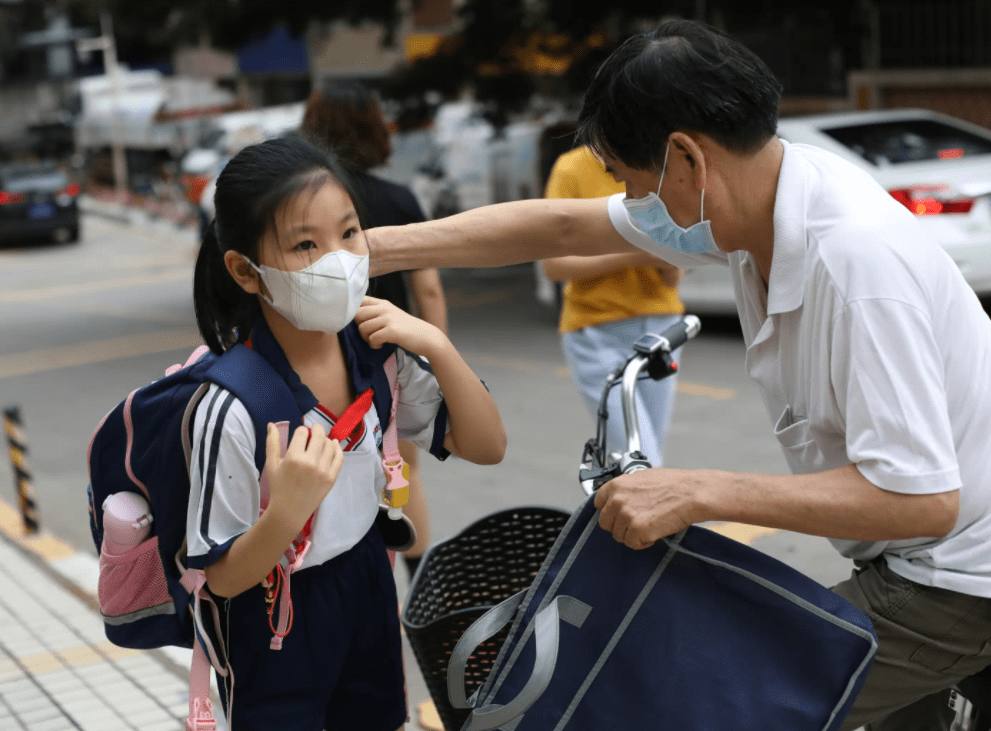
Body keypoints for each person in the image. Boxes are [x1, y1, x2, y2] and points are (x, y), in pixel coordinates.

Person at [362, 19, 991, 731]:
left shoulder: (853, 266)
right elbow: (562, 229)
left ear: (685, 158)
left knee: (712, 704)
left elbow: (922, 500)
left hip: (958, 578)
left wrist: (697, 489)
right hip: (912, 559)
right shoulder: (769, 196)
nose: (632, 204)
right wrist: (368, 249)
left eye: (630, 182)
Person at [188, 134, 505, 731]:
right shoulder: (229, 404)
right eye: (305, 244)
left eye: (349, 233)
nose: (338, 259)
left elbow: (487, 447)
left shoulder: (377, 356)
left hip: (366, 578)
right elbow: (222, 575)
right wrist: (286, 514)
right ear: (245, 271)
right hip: (275, 613)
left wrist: (434, 342)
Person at [301, 80, 448, 581]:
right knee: (401, 476)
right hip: (390, 360)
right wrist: (435, 360)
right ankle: (421, 595)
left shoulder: (301, 204)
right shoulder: (398, 199)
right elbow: (427, 291)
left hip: (320, 362)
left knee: (327, 485)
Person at [541, 144, 684, 467]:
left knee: (638, 460)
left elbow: (672, 278)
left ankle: (615, 515)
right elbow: (554, 267)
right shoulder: (571, 168)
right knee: (644, 461)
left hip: (662, 329)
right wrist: (635, 254)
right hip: (595, 331)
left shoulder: (658, 159)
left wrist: (669, 257)